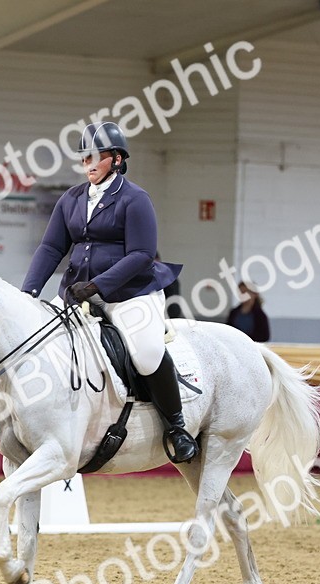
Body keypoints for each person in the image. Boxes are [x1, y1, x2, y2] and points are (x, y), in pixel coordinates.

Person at [20, 121, 197, 463]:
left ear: (116, 159)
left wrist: (97, 286)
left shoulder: (135, 199)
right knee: (42, 340)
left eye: (93, 157)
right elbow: (51, 247)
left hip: (130, 292)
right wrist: (28, 293)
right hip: (78, 292)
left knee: (146, 354)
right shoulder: (71, 199)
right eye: (83, 158)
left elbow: (142, 254)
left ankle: (176, 427)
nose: (86, 164)